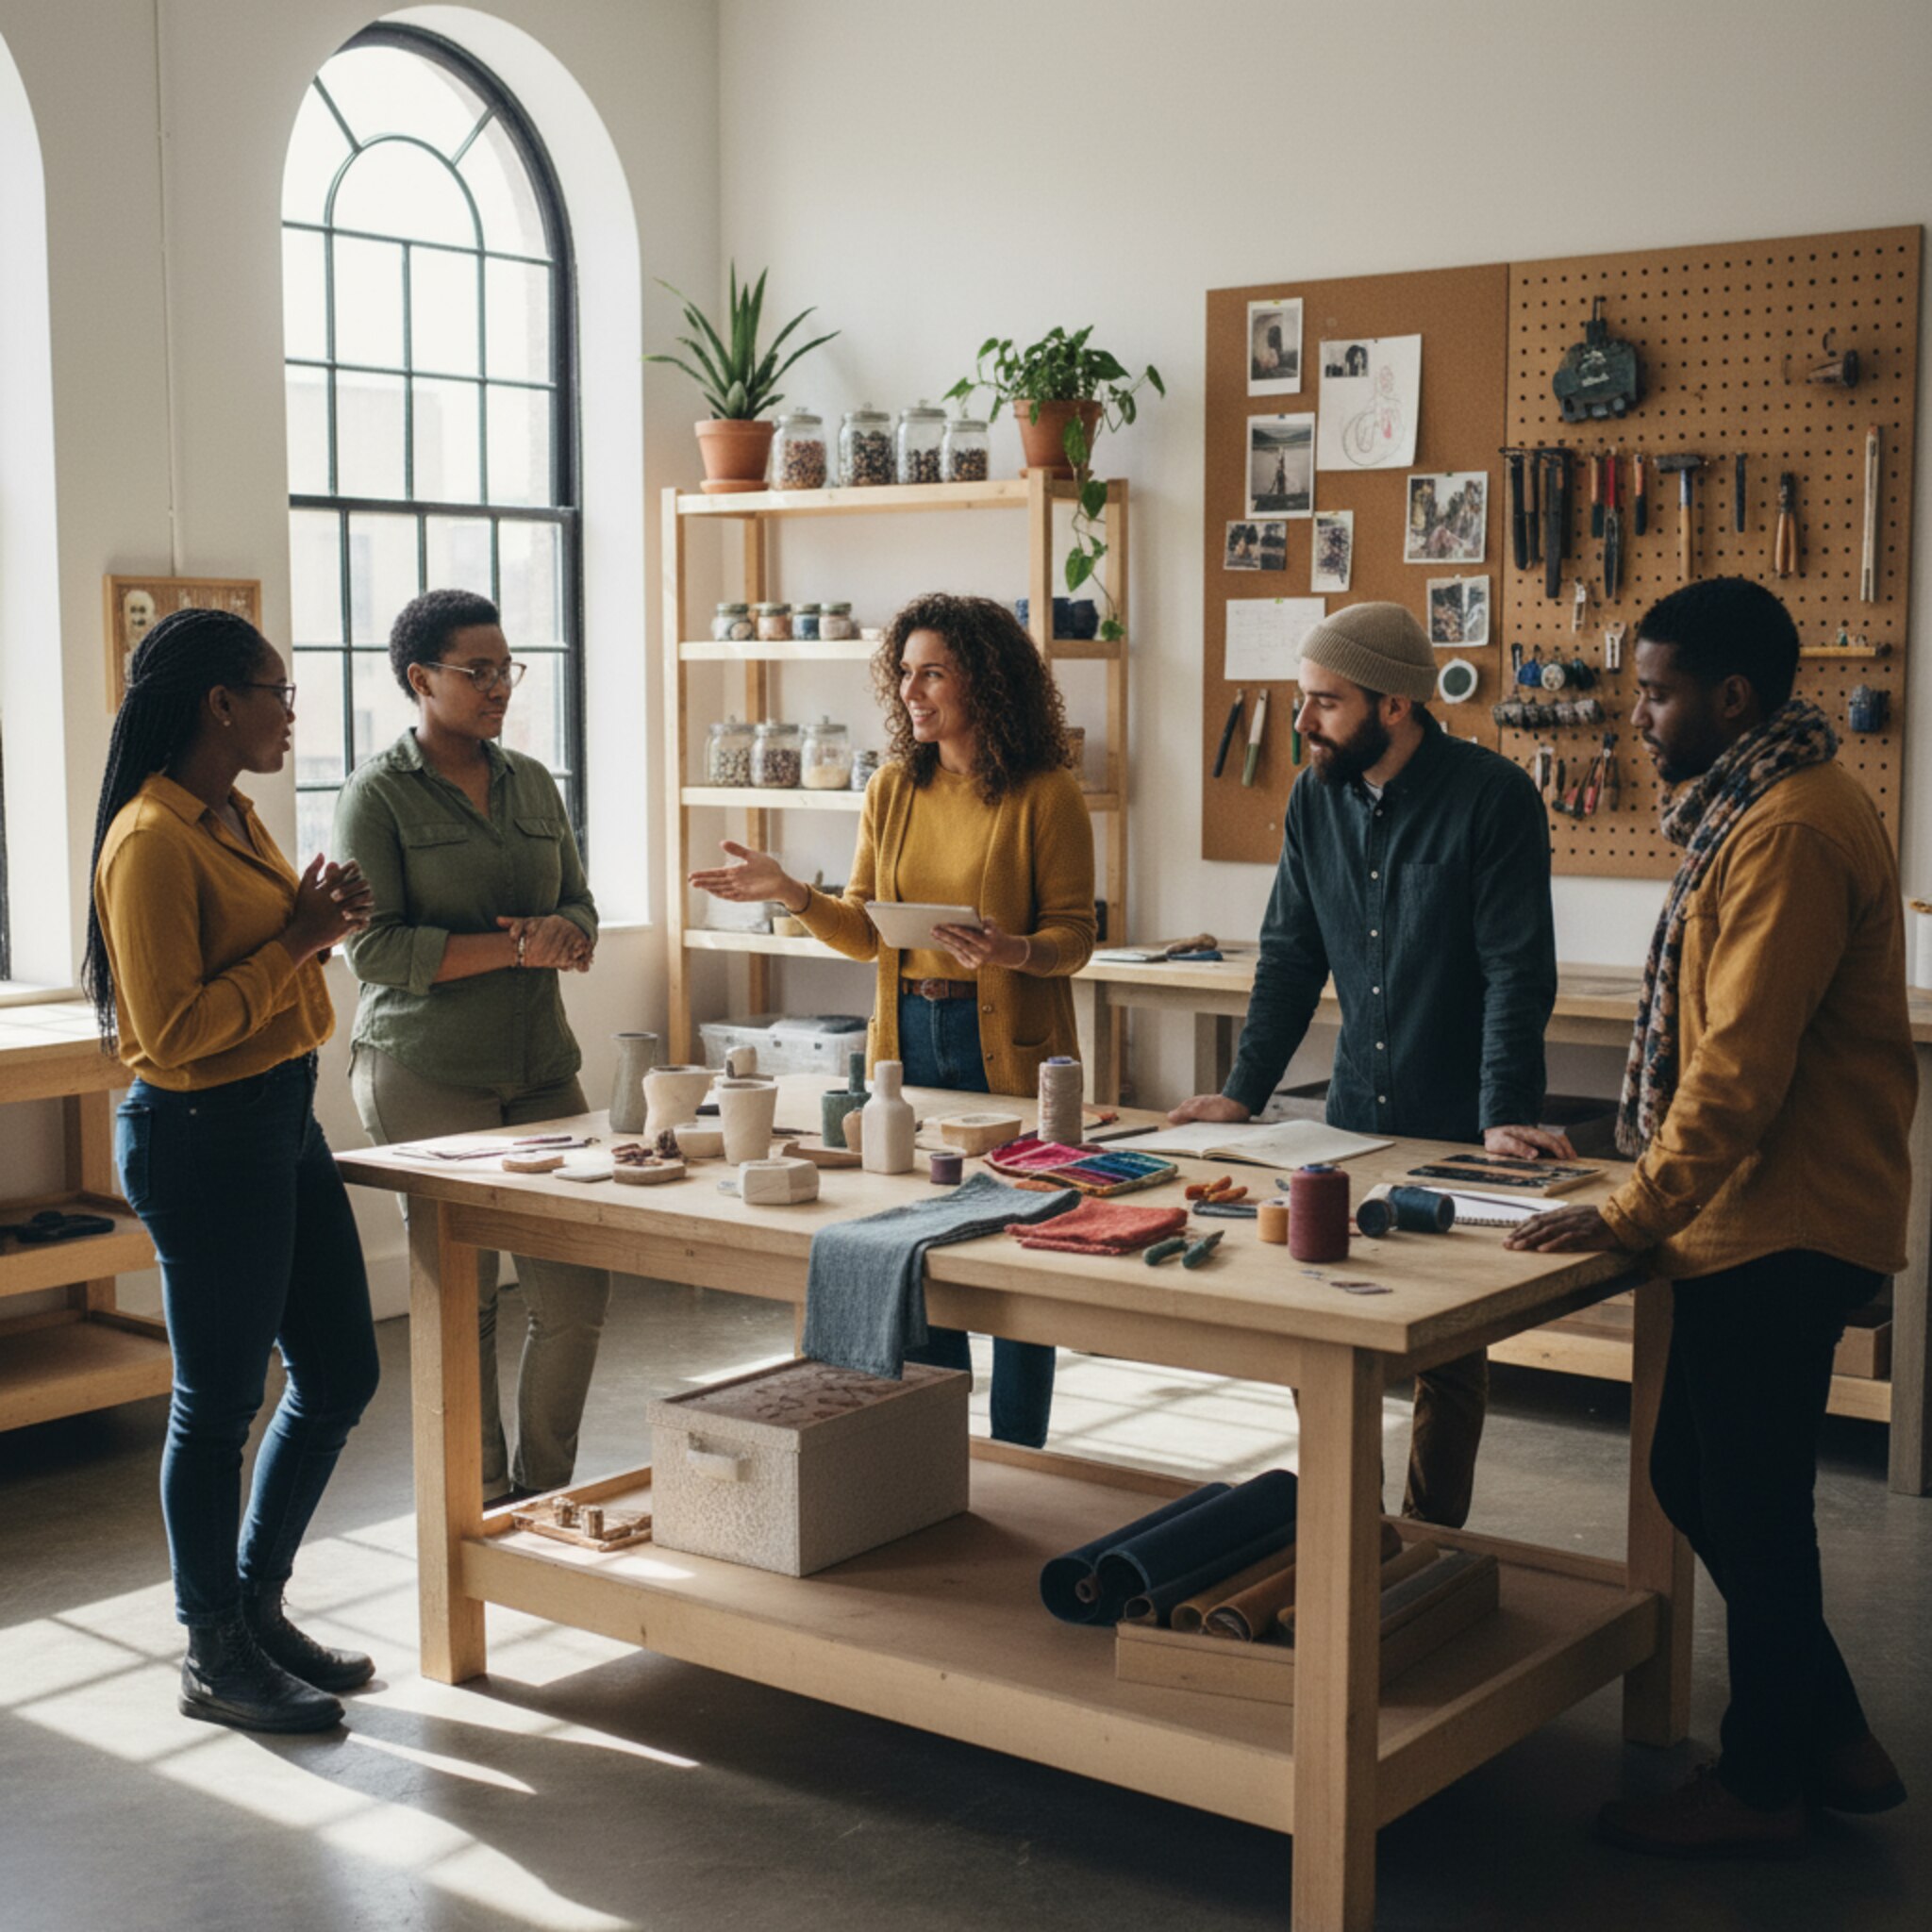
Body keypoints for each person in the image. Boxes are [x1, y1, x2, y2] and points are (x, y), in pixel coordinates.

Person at [1507, 577, 1913, 1858]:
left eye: (1659, 691)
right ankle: (1836, 1741)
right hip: (1758, 1211)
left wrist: (1630, 1208)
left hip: (1783, 1217)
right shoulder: (1759, 808)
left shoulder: (1788, 829)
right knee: (1705, 1480)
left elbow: (1737, 1068)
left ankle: (1761, 1782)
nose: (1637, 715)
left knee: (1746, 1502)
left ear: (1733, 698)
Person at [1169, 602, 1569, 1527]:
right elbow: (1288, 955)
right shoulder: (1314, 797)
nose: (1303, 722)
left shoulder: (1492, 797)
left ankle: (1427, 1542)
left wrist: (1502, 1107)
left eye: (1323, 702)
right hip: (1347, 1116)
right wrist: (1241, 1093)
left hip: (1456, 1117)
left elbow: (1516, 966)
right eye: (1301, 701)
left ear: (1393, 704)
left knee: (1449, 1353)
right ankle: (1349, 1533)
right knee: (1319, 1325)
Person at [691, 591, 1096, 1447]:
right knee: (917, 1246)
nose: (913, 692)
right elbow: (864, 933)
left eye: (933, 673)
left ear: (985, 683)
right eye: (904, 674)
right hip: (906, 1045)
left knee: (1019, 1249)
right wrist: (794, 893)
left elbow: (1076, 938)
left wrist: (1012, 952)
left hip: (1005, 1054)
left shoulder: (1046, 792)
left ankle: (1023, 1455)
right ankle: (936, 1447)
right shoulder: (891, 787)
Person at [85, 608, 380, 1735]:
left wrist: (314, 928)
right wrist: (299, 939)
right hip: (200, 1134)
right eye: (276, 689)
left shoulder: (230, 814)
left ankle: (256, 1604)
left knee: (341, 1370)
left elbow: (269, 975)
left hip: (276, 1119)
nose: (289, 711)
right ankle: (213, 1646)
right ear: (220, 704)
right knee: (215, 1409)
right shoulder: (150, 839)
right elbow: (169, 1031)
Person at [333, 589, 606, 1505]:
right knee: (466, 1296)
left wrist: (567, 932)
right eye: (476, 671)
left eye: (506, 668)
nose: (498, 687)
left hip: (539, 1067)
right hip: (424, 1071)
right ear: (421, 678)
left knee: (573, 1297)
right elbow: (370, 946)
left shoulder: (533, 782)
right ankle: (478, 1501)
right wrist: (520, 943)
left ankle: (544, 1498)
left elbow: (578, 902)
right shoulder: (376, 793)